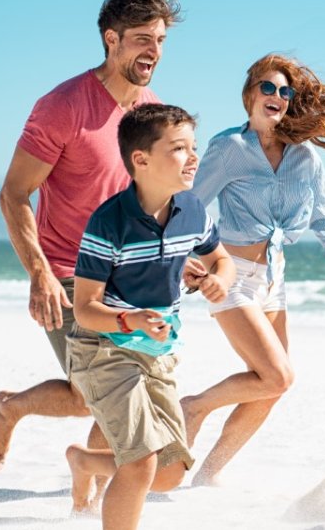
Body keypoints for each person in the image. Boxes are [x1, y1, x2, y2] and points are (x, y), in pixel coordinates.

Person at [0, 0, 180, 471]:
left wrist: (178, 256)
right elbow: (12, 194)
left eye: (159, 39)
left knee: (115, 386)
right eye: (140, 39)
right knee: (101, 391)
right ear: (111, 40)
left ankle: (87, 482)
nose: (152, 50)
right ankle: (11, 408)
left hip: (129, 274)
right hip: (71, 272)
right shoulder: (63, 106)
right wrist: (40, 274)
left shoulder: (150, 109)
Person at [181, 53, 325, 485]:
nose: (276, 96)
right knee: (276, 374)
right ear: (250, 94)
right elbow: (189, 203)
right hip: (230, 273)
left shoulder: (304, 157)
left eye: (284, 91)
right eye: (267, 88)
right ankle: (193, 407)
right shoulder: (229, 149)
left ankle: (208, 475)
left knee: (273, 386)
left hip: (274, 279)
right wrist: (184, 255)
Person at [64, 104, 235, 529]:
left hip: (158, 351)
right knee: (141, 463)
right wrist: (130, 320)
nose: (194, 157)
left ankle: (85, 460)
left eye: (193, 147)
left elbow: (222, 259)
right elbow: (84, 308)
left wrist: (220, 279)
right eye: (179, 149)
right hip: (104, 348)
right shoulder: (109, 223)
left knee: (170, 473)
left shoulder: (192, 210)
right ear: (140, 160)